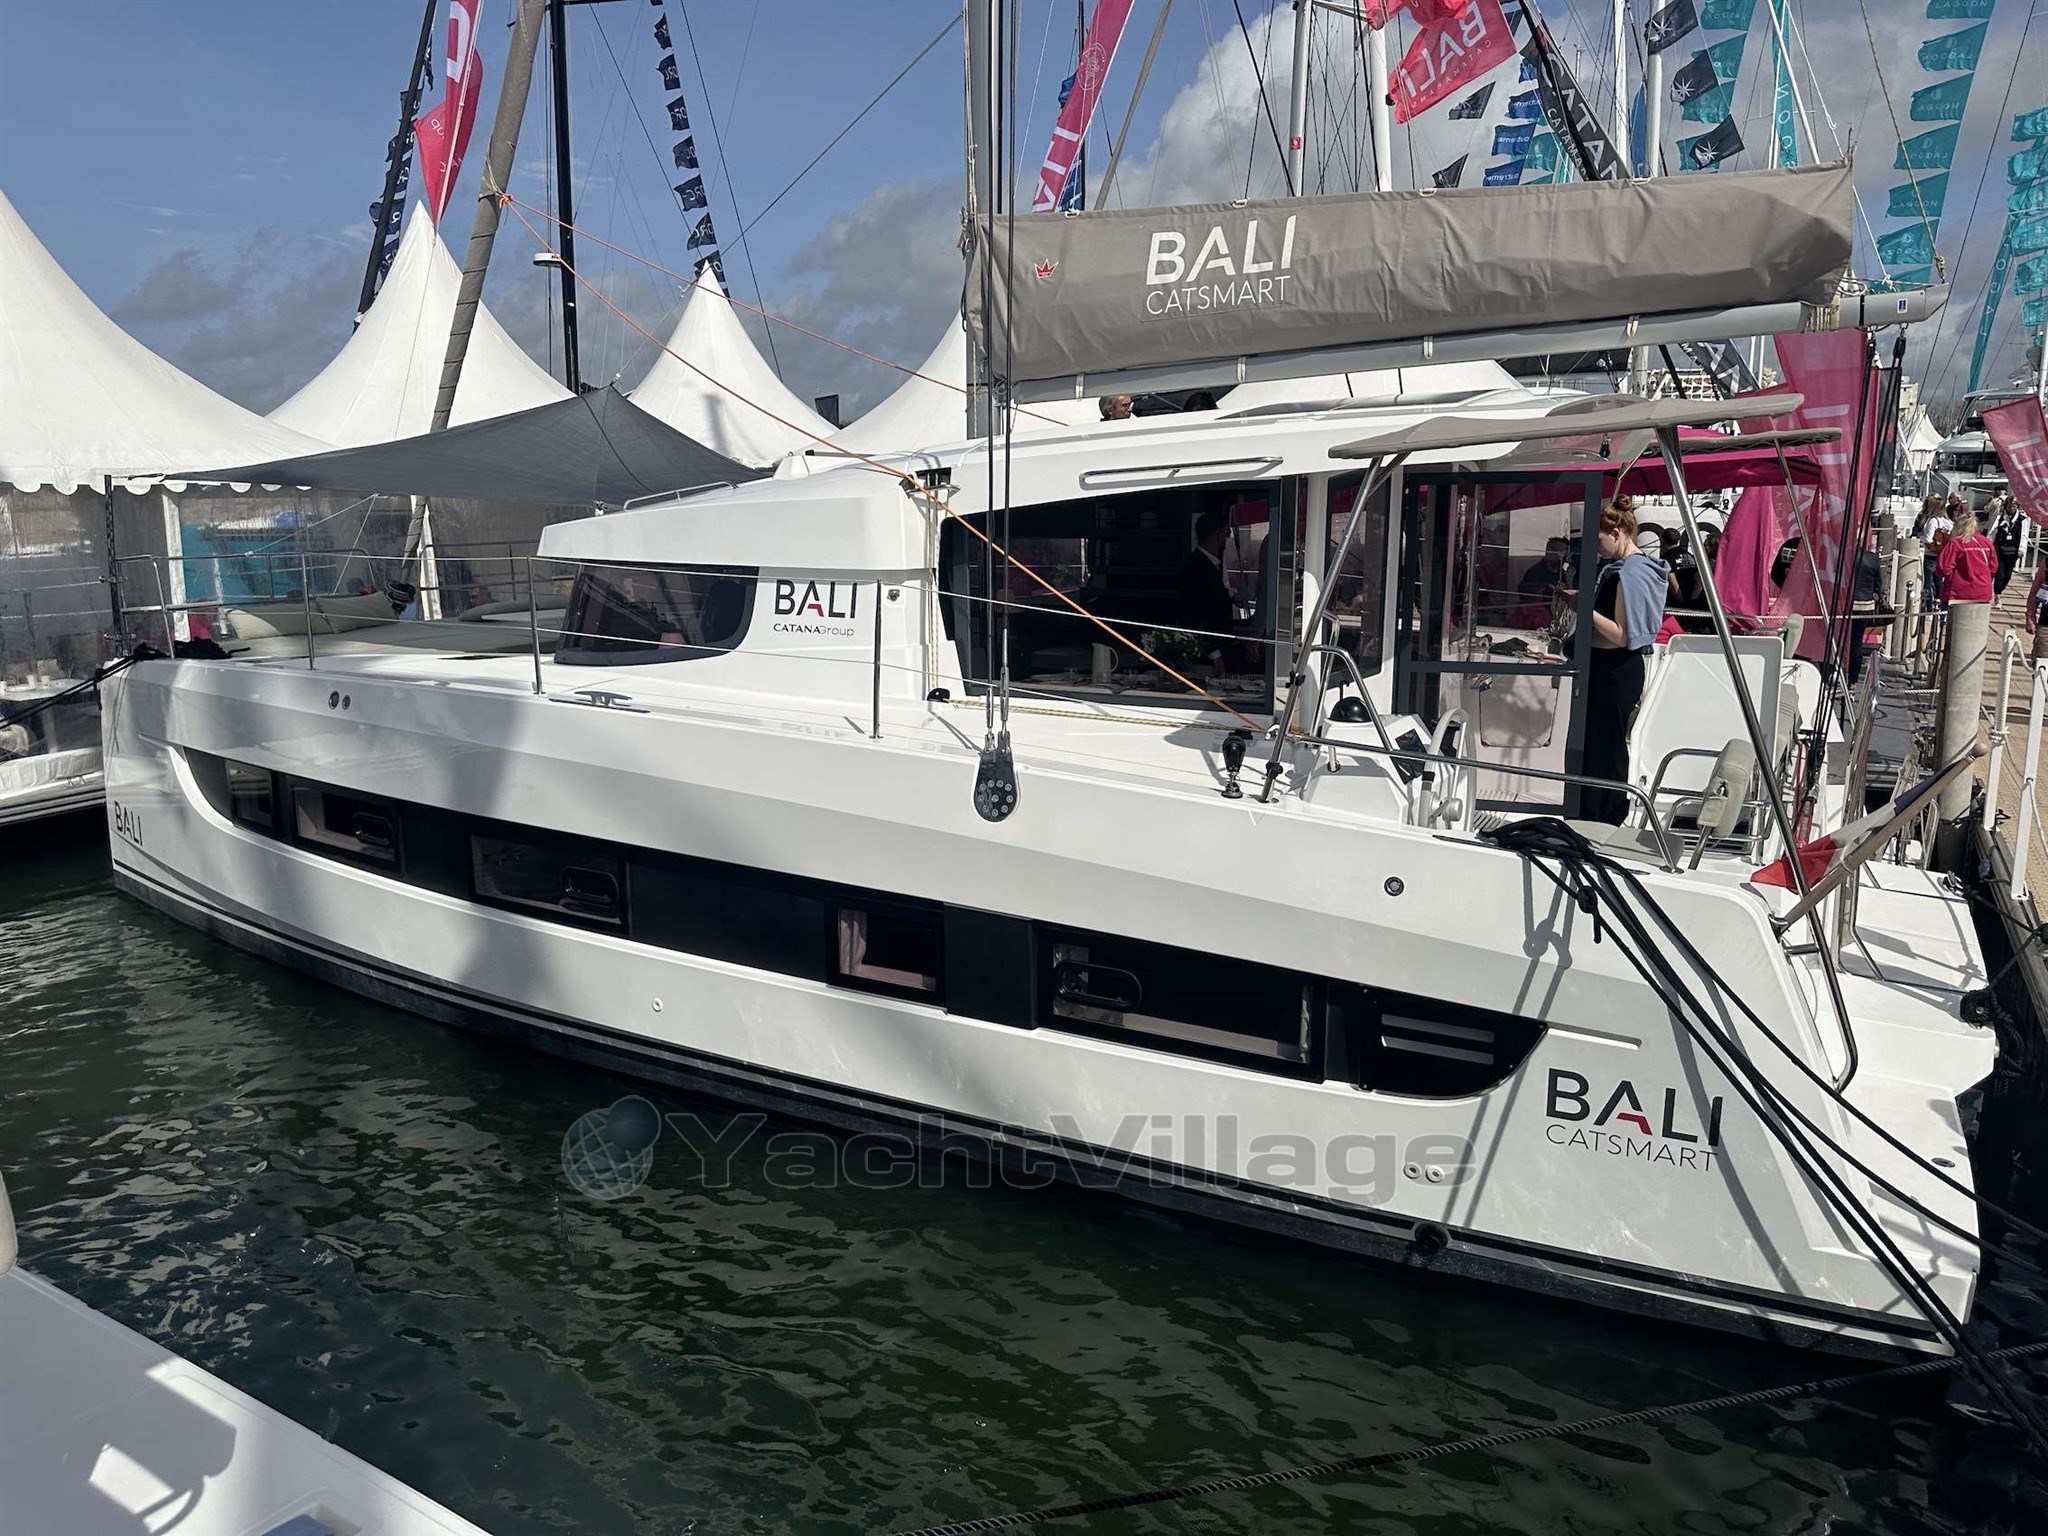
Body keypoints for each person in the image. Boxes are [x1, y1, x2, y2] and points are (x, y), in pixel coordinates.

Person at [1575, 500, 1667, 824]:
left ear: (1615, 533)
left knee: (1605, 746)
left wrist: (1583, 608)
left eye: (1598, 539)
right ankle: (1601, 812)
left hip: (1613, 669)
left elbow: (1620, 634)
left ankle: (1601, 815)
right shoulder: (1638, 569)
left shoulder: (1629, 573)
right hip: (1618, 668)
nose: (1596, 547)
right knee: (1605, 744)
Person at [1177, 508, 1236, 677]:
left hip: (1214, 648)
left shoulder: (1205, 565)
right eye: (1226, 533)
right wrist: (1215, 656)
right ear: (1218, 535)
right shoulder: (1197, 569)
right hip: (1206, 654)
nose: (1227, 538)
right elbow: (1199, 613)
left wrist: (1229, 595)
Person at [1936, 512, 1996, 606]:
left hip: (1958, 594)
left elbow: (1943, 568)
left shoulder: (1956, 543)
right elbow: (1993, 567)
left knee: (1950, 615)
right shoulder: (1987, 542)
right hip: (1983, 593)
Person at [1992, 495, 2025, 597]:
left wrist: (2021, 548)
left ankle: (2000, 590)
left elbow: (2024, 535)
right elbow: (1993, 532)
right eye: (2009, 506)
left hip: (2013, 550)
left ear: (2017, 507)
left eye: (2013, 506)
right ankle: (1997, 594)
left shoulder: (2022, 519)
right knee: (2000, 573)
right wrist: (1989, 545)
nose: (2011, 509)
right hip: (2000, 548)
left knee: (2008, 573)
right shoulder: (2000, 517)